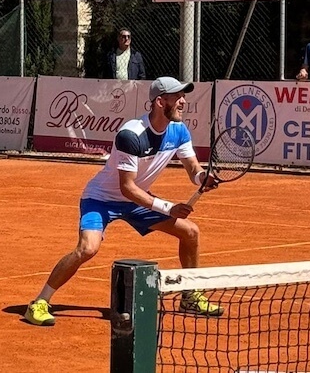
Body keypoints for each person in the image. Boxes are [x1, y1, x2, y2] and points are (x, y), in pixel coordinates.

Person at [24, 76, 221, 326]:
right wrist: (167, 207)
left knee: (190, 233)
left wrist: (203, 177)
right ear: (160, 102)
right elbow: (127, 187)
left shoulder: (179, 130)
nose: (184, 101)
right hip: (102, 199)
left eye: (184, 96)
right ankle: (39, 302)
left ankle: (190, 295)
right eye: (178, 97)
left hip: (137, 200)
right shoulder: (131, 134)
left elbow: (193, 168)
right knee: (87, 248)